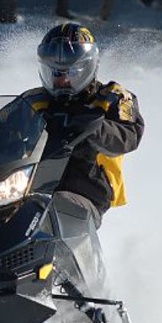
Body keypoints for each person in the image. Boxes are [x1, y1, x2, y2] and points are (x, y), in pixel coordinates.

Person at [21, 23, 144, 229]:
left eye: (72, 72)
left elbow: (129, 135)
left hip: (86, 190)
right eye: (56, 73)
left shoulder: (112, 97)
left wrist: (94, 126)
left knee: (59, 210)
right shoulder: (35, 101)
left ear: (89, 67)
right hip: (28, 191)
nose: (64, 80)